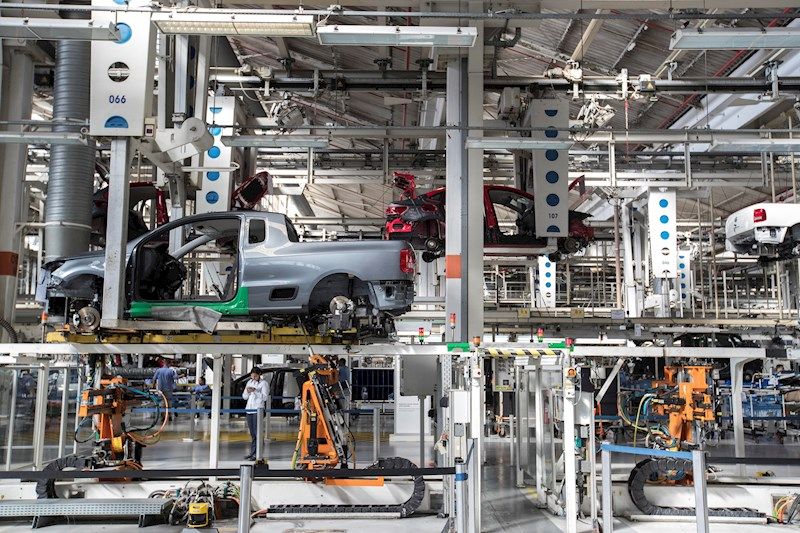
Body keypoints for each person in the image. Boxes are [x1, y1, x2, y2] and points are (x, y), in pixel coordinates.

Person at [242, 367, 269, 460]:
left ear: (259, 375)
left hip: (258, 410)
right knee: (252, 433)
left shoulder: (264, 383)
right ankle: (252, 452)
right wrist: (248, 391)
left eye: (255, 375)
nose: (253, 377)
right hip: (249, 409)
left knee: (257, 433)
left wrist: (255, 391)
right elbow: (244, 397)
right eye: (252, 375)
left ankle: (258, 454)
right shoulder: (249, 383)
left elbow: (265, 397)